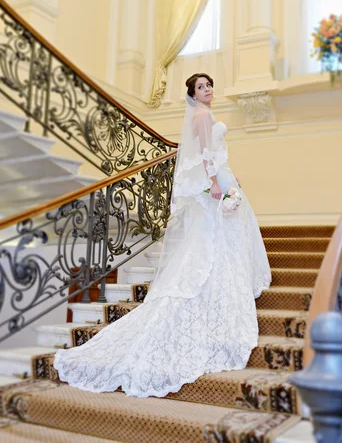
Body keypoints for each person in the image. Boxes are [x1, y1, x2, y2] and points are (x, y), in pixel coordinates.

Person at [54, 73, 271, 397]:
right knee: (212, 242)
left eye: (209, 84)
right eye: (201, 87)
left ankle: (227, 282)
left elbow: (215, 152)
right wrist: (214, 181)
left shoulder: (206, 114)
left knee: (225, 237)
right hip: (213, 181)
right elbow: (204, 155)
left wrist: (228, 175)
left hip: (221, 177)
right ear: (192, 94)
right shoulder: (200, 115)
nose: (207, 89)